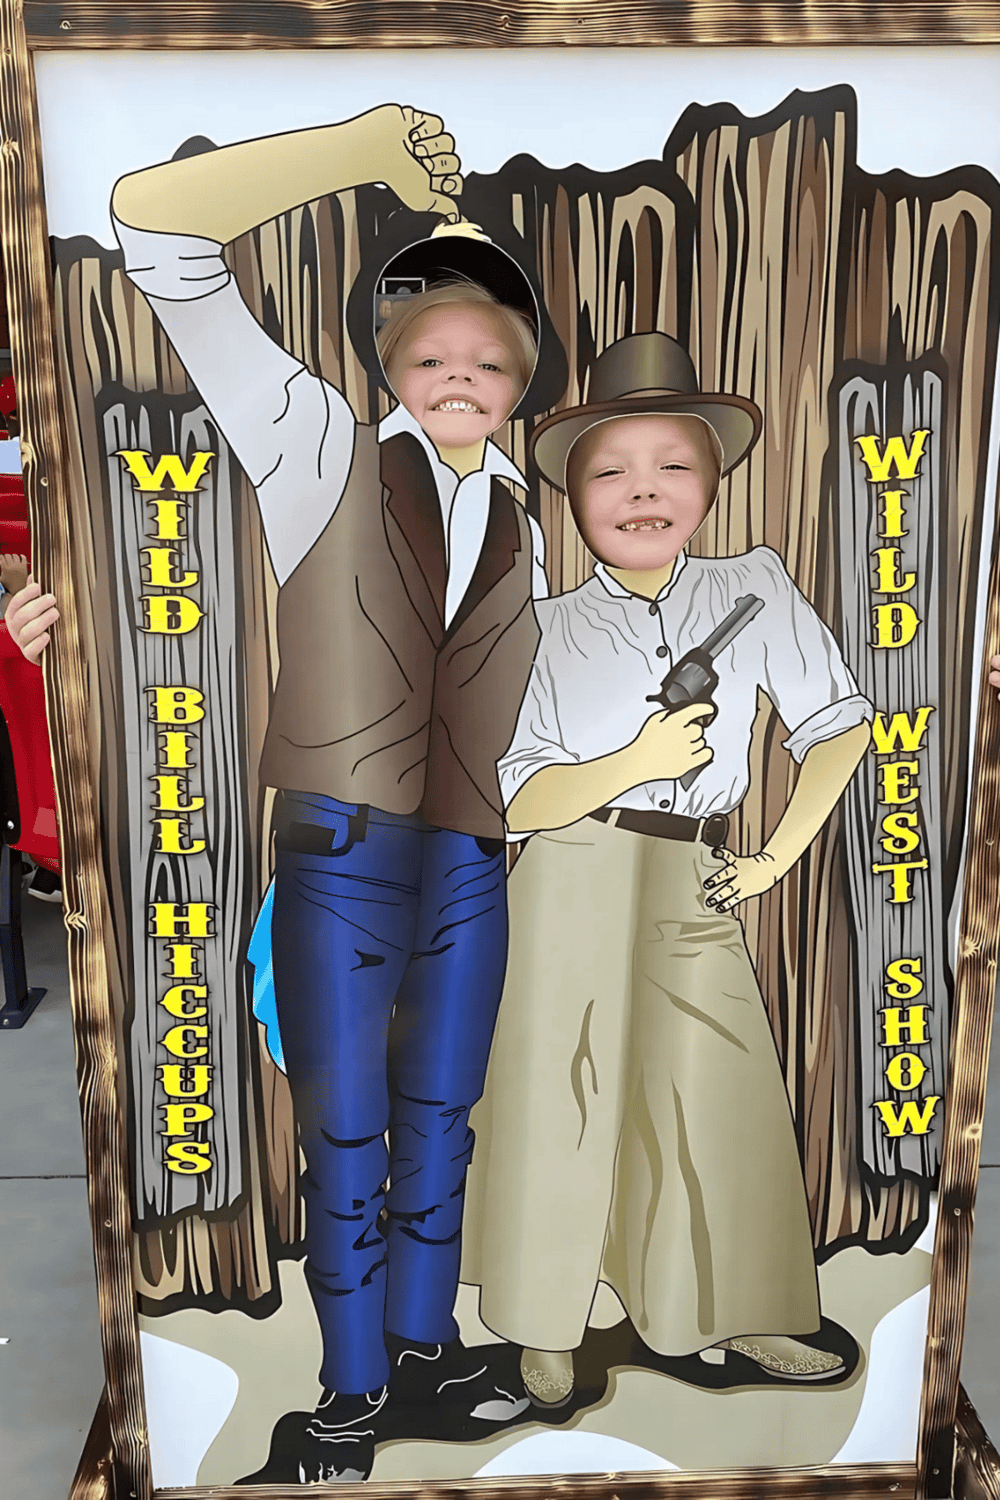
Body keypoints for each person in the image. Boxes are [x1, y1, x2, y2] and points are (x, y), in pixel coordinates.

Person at [7, 106, 556, 1483]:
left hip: (470, 862)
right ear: (388, 361)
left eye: (489, 357)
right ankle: (353, 1394)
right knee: (348, 1137)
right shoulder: (317, 445)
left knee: (442, 1121)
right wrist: (361, 144)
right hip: (343, 852)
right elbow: (156, 229)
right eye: (430, 350)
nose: (459, 373)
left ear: (523, 380)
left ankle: (424, 1352)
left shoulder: (528, 521)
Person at [460, 332, 874, 1409]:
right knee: (560, 1089)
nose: (643, 490)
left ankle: (736, 1310)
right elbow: (517, 798)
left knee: (716, 1085)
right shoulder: (542, 626)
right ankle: (544, 1320)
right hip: (567, 869)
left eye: (672, 465)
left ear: (711, 479)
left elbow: (838, 727)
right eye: (610, 470)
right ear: (572, 494)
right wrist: (631, 762)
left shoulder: (754, 587)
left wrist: (774, 857)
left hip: (695, 870)